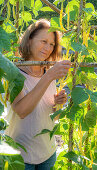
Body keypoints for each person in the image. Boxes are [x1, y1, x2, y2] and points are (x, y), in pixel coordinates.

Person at [5, 19, 71, 170]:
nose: (48, 48)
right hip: (20, 157)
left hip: (48, 154)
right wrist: (49, 77)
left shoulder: (48, 71)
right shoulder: (14, 72)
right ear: (29, 40)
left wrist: (58, 103)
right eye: (43, 41)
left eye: (52, 44)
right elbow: (22, 111)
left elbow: (53, 114)